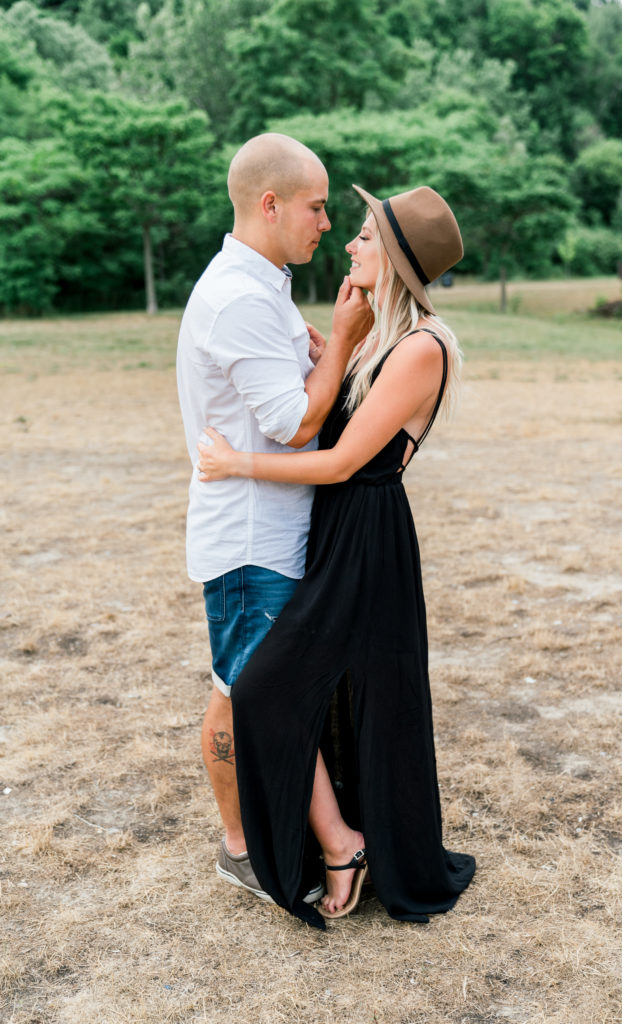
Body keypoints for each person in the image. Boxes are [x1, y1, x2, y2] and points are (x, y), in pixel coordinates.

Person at [197, 183, 476, 929]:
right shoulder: (385, 337)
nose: (346, 244)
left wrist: (237, 466)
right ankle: (346, 840)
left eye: (360, 236)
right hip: (336, 532)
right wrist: (336, 338)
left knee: (273, 686)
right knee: (332, 692)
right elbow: (320, 398)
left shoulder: (422, 347)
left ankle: (351, 847)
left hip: (365, 540)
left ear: (392, 258)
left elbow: (341, 461)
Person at [176, 134, 373, 906]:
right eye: (317, 206)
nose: (326, 223)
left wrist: (329, 348)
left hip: (275, 531)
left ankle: (282, 831)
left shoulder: (264, 289)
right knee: (244, 690)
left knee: (260, 688)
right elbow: (294, 423)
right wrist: (346, 341)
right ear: (270, 204)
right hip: (249, 540)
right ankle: (252, 847)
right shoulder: (240, 299)